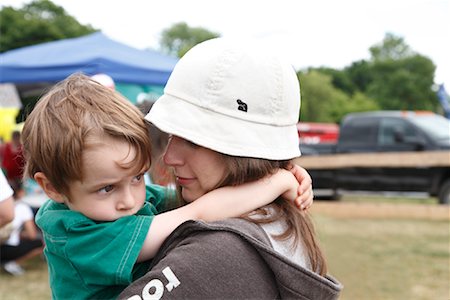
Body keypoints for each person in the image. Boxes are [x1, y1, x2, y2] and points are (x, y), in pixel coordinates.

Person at [21, 73, 313, 299]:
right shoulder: (81, 235)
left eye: (137, 177)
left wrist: (279, 170)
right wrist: (276, 182)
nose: (130, 201)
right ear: (52, 188)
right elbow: (200, 211)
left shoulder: (110, 203)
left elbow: (200, 202)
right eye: (106, 188)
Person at [120, 38, 342, 299]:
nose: (169, 158)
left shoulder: (214, 254)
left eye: (193, 141)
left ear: (242, 152)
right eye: (171, 136)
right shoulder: (277, 223)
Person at [0, 181, 44, 276]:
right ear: (20, 192)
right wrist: (20, 234)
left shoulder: (2, 207)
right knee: (41, 243)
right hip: (10, 249)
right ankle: (13, 263)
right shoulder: (22, 208)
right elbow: (32, 235)